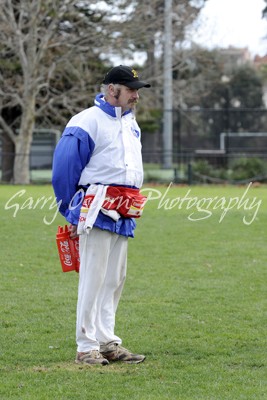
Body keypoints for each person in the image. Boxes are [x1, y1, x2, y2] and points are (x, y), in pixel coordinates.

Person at [52, 65, 151, 366]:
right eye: (130, 89)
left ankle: (107, 342)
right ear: (111, 90)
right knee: (93, 277)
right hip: (94, 207)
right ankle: (86, 346)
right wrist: (71, 210)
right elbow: (65, 168)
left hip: (124, 208)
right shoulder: (86, 121)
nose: (135, 94)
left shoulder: (132, 124)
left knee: (114, 278)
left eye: (137, 89)